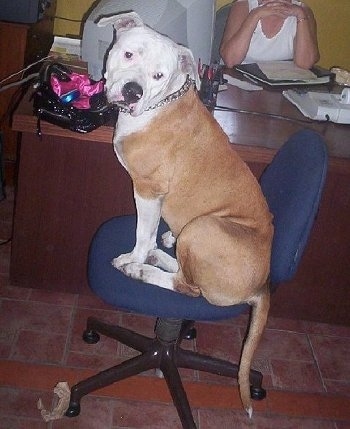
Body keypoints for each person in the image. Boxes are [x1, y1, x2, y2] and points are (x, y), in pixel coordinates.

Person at [220, 0, 320, 69]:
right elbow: (231, 61)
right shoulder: (243, 6)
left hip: (281, 85)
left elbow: (305, 63)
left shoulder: (303, 11)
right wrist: (255, 15)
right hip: (239, 83)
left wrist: (300, 15)